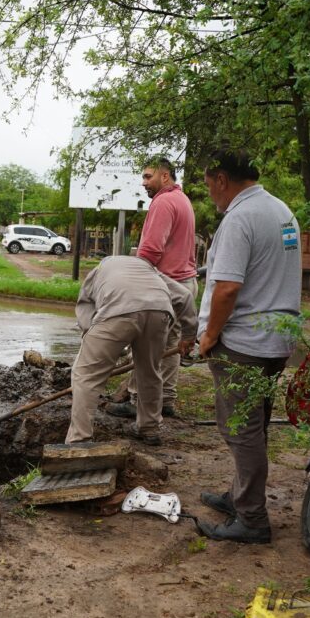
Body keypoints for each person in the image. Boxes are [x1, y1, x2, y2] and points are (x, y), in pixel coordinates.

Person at [196, 147, 301, 544]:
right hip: (275, 340)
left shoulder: (241, 218)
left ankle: (253, 519)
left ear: (222, 179)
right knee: (253, 426)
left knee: (241, 429)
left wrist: (208, 337)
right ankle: (240, 497)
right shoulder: (281, 210)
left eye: (209, 186)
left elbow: (227, 288)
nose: (210, 195)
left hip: (244, 342)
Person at [66, 256, 197, 445]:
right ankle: (149, 428)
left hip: (117, 312)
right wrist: (189, 336)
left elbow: (85, 310)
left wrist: (103, 344)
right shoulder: (151, 271)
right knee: (150, 372)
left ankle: (79, 439)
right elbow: (185, 296)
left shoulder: (99, 270)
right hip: (158, 313)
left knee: (86, 375)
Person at [108, 156, 197, 420]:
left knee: (146, 343)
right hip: (185, 283)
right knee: (170, 343)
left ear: (165, 176)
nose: (143, 182)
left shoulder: (163, 201)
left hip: (165, 285)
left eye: (148, 176)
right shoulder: (182, 199)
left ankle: (138, 401)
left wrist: (135, 278)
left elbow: (151, 249)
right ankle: (166, 398)